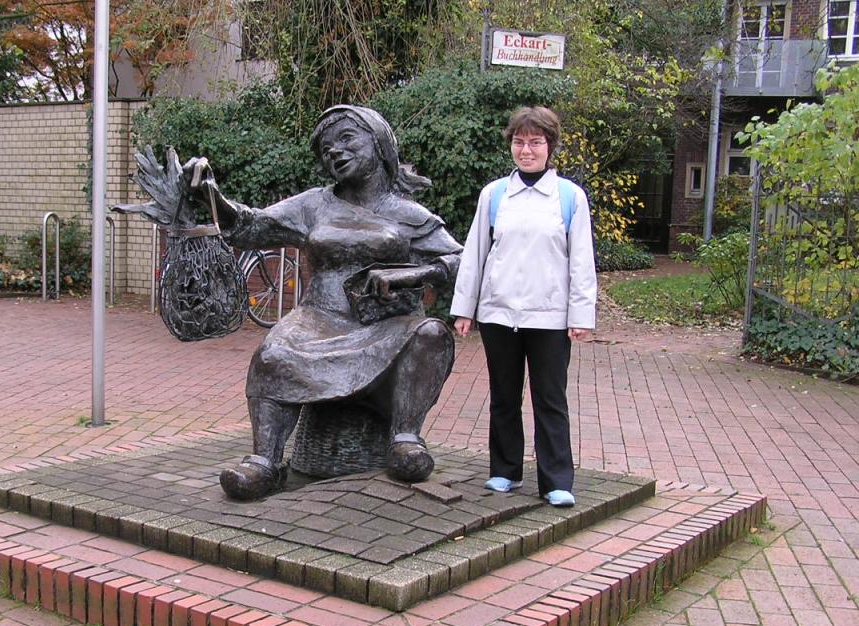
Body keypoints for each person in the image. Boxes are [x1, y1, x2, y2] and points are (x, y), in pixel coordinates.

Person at [187, 105, 462, 500]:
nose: (335, 151)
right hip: (319, 318)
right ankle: (264, 462)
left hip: (386, 322)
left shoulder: (409, 214)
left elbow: (460, 261)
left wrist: (411, 274)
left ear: (379, 144)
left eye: (347, 139)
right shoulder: (312, 205)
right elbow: (251, 225)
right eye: (327, 148)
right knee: (273, 352)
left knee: (431, 333)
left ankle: (405, 440)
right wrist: (212, 197)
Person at [450, 106, 596, 507]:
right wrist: (465, 309)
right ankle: (504, 470)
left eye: (535, 142)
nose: (526, 150)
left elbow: (581, 261)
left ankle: (556, 481)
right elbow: (475, 253)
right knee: (504, 397)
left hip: (550, 318)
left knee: (550, 400)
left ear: (550, 146)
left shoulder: (569, 197)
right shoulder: (495, 195)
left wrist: (581, 316)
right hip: (499, 316)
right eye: (519, 142)